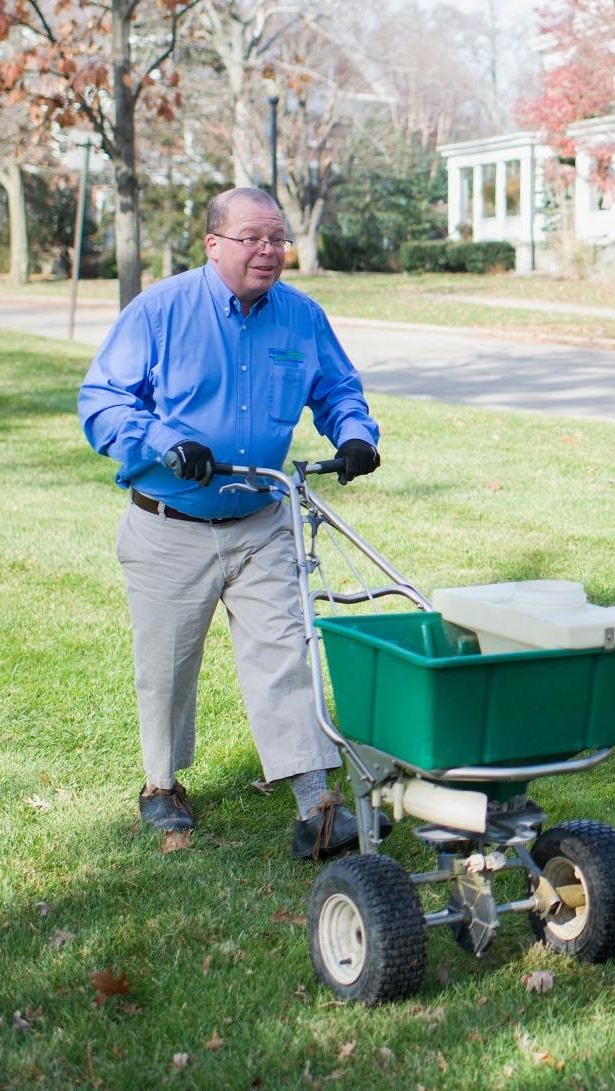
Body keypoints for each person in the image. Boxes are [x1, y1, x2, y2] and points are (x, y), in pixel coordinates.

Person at [78, 186, 382, 860]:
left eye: (277, 238)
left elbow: (338, 390)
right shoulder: (160, 310)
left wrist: (355, 434)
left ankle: (315, 802)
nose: (269, 251)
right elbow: (102, 403)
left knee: (284, 652)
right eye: (252, 238)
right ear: (213, 244)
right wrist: (161, 443)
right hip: (170, 521)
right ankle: (161, 784)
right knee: (168, 663)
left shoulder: (300, 318)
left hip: (261, 517)